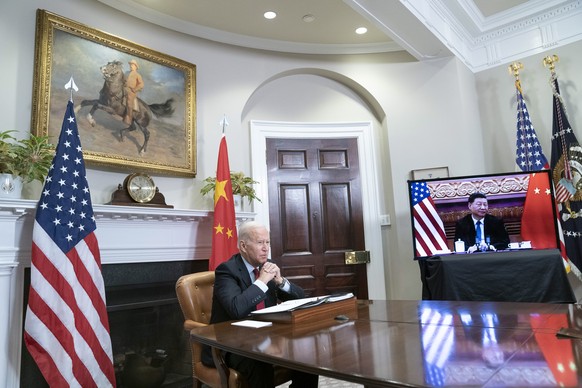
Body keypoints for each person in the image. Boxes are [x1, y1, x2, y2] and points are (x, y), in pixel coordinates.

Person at [201, 221, 318, 388]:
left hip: (266, 336)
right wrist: (262, 280)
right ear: (243, 245)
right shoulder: (227, 270)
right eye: (260, 242)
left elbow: (299, 297)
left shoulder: (266, 266)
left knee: (307, 352)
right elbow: (236, 309)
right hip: (231, 343)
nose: (266, 248)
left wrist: (280, 281)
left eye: (267, 242)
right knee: (258, 362)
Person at [123, 59, 144, 125]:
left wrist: (135, 89)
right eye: (130, 64)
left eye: (132, 65)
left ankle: (128, 118)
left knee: (129, 103)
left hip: (131, 91)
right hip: (124, 88)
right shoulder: (126, 72)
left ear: (135, 66)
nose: (131, 66)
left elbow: (141, 84)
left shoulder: (138, 75)